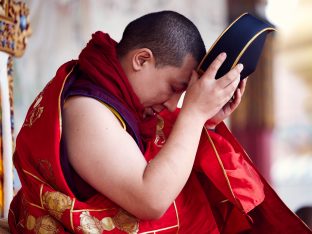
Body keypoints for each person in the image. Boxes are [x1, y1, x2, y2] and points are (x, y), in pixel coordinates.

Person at [8, 10, 311, 234]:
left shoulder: (122, 102)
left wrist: (204, 120)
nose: (172, 105)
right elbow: (150, 199)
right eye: (175, 88)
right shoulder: (87, 107)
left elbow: (158, 157)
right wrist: (192, 115)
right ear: (142, 60)